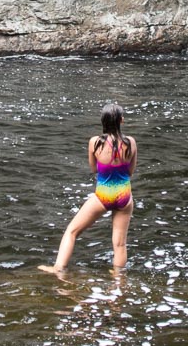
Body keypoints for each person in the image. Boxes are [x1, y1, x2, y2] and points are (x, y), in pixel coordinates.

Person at [39, 103, 137, 273]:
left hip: (104, 195)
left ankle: (58, 269)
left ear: (103, 121)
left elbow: (93, 169)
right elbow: (130, 171)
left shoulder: (94, 143)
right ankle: (119, 280)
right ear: (121, 120)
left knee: (72, 232)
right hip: (124, 196)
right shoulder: (131, 143)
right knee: (120, 244)